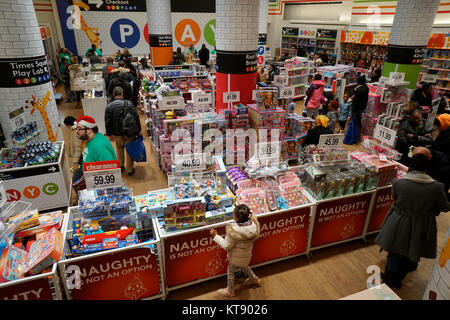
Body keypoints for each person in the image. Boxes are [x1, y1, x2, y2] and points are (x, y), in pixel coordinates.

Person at [375, 153, 449, 289]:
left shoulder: (398, 183)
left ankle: (390, 279)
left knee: (394, 251)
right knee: (414, 249)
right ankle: (400, 277)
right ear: (427, 168)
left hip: (398, 220)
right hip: (422, 223)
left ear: (410, 166)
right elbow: (444, 207)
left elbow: (395, 198)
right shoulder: (437, 187)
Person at [209, 204, 261, 297]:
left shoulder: (233, 231)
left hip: (235, 258)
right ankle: (254, 279)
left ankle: (230, 291)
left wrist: (215, 236)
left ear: (236, 218)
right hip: (247, 254)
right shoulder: (254, 226)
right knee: (245, 265)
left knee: (230, 271)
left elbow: (226, 246)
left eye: (234, 214)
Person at [105, 87, 141, 176]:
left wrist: (109, 133)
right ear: (122, 94)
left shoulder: (109, 106)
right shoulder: (129, 104)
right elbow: (136, 117)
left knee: (119, 148)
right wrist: (139, 130)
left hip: (117, 133)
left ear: (113, 94)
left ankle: (120, 166)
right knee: (129, 149)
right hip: (129, 132)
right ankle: (130, 170)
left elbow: (107, 121)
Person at [344, 75, 369, 145]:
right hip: (361, 109)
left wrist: (353, 110)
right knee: (358, 124)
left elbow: (356, 101)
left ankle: (350, 139)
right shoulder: (366, 88)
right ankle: (356, 138)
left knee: (352, 124)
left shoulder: (358, 90)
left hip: (356, 110)